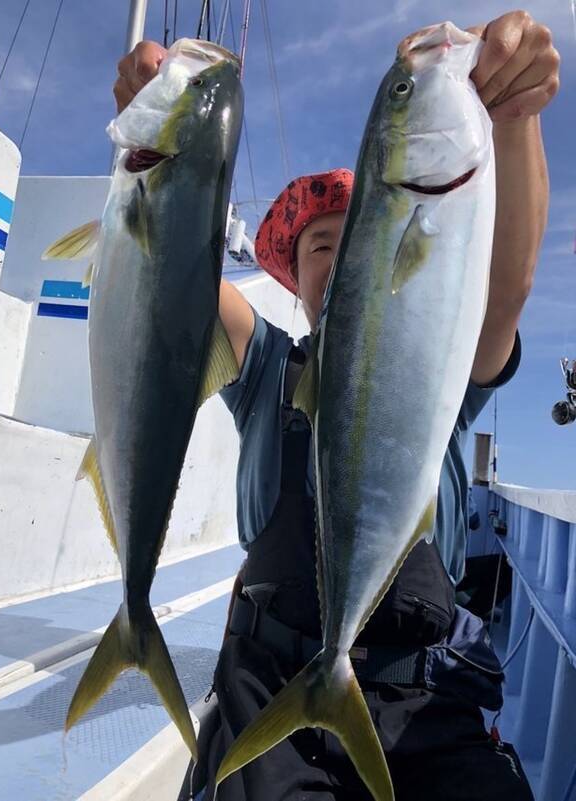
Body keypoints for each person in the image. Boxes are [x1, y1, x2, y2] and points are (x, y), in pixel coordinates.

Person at [115, 11, 559, 800]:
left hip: (429, 694)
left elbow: (507, 291)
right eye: (318, 246)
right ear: (296, 278)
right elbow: (175, 269)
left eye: (352, 236)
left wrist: (514, 119)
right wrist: (161, 134)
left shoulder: (439, 370)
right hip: (271, 677)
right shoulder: (267, 373)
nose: (339, 253)